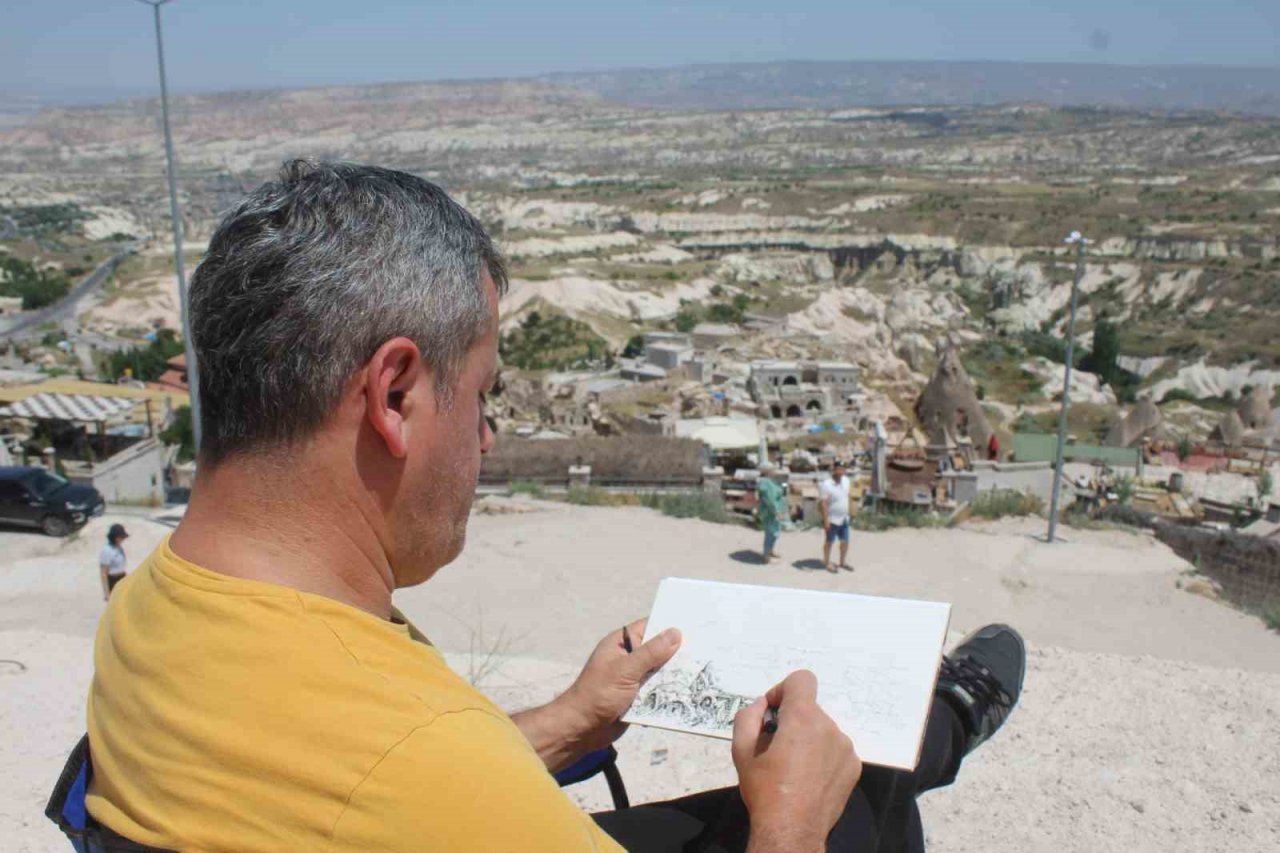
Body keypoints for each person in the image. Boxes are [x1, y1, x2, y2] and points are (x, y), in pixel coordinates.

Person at [75, 161, 1024, 853]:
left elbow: (316, 784)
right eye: (482, 392)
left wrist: (569, 719)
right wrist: (787, 822)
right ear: (394, 395)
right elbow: (413, 782)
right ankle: (936, 725)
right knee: (859, 798)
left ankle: (930, 726)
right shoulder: (426, 766)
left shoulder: (156, 605)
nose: (487, 436)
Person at [820, 463, 853, 573]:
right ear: (833, 470)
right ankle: (826, 562)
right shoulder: (826, 484)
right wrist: (825, 520)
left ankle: (842, 562)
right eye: (838, 469)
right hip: (832, 518)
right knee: (829, 542)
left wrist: (851, 511)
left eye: (842, 469)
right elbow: (823, 503)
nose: (841, 471)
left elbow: (847, 496)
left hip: (844, 518)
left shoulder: (846, 481)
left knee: (845, 541)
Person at [756, 461, 788, 563]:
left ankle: (770, 551)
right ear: (767, 471)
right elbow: (770, 500)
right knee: (771, 533)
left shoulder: (771, 481)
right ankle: (766, 554)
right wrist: (776, 512)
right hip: (771, 512)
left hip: (776, 510)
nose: (775, 471)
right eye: (773, 469)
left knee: (775, 532)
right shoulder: (765, 483)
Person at [97, 523, 128, 601]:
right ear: (116, 538)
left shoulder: (119, 547)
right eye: (122, 537)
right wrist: (107, 594)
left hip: (122, 578)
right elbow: (103, 573)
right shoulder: (107, 551)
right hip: (113, 581)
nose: (124, 539)